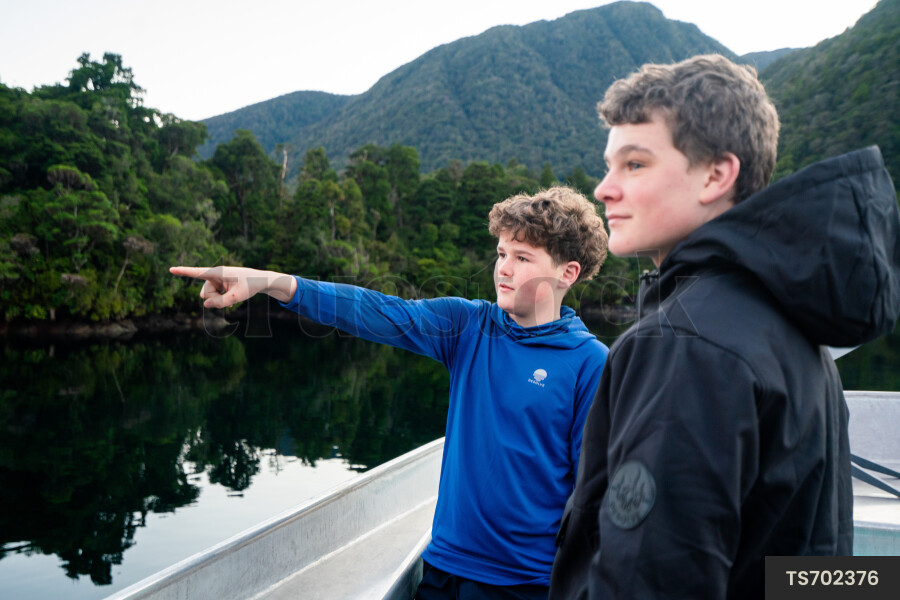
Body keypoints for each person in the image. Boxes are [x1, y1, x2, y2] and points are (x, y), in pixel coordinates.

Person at [550, 54, 900, 599]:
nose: (604, 189)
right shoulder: (792, 323)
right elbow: (804, 572)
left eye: (634, 164)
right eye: (608, 165)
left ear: (716, 174)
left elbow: (649, 583)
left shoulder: (684, 344)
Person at [171, 185, 610, 599]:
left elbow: (591, 496)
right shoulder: (467, 327)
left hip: (523, 584)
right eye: (500, 253)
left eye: (523, 257)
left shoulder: (590, 363)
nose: (504, 268)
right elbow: (375, 311)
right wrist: (268, 281)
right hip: (443, 570)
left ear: (567, 273)